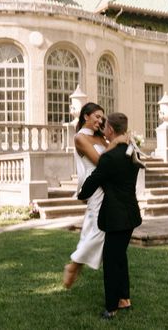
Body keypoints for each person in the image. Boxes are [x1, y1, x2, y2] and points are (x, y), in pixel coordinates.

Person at [78, 112, 143, 320]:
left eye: (105, 128)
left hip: (115, 216)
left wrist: (82, 194)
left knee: (111, 261)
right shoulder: (131, 151)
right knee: (119, 257)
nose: (103, 131)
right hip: (130, 214)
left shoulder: (109, 157)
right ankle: (124, 299)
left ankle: (111, 307)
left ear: (111, 130)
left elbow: (94, 180)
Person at [63, 102, 107, 289]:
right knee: (99, 230)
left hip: (109, 185)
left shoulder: (101, 138)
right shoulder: (80, 138)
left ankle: (76, 265)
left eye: (102, 118)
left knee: (92, 228)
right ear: (86, 116)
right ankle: (74, 264)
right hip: (96, 186)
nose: (100, 120)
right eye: (97, 116)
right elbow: (100, 161)